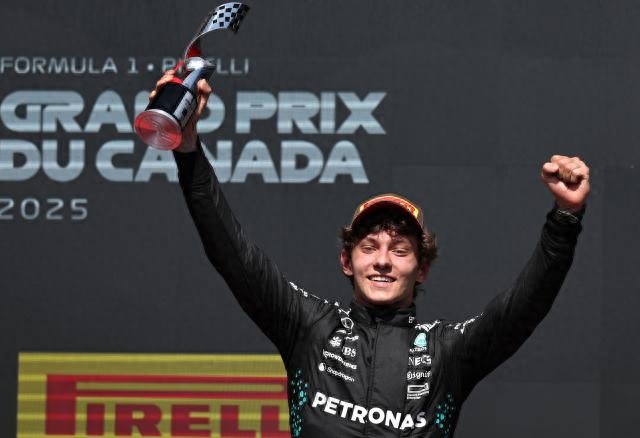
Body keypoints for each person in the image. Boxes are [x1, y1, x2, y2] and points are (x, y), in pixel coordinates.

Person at [151, 71, 590, 437]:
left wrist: (565, 218)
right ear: (347, 261)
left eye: (400, 250)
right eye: (369, 247)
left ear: (422, 269)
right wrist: (188, 151)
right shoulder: (310, 328)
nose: (383, 261)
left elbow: (524, 307)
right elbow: (232, 254)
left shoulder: (448, 353)